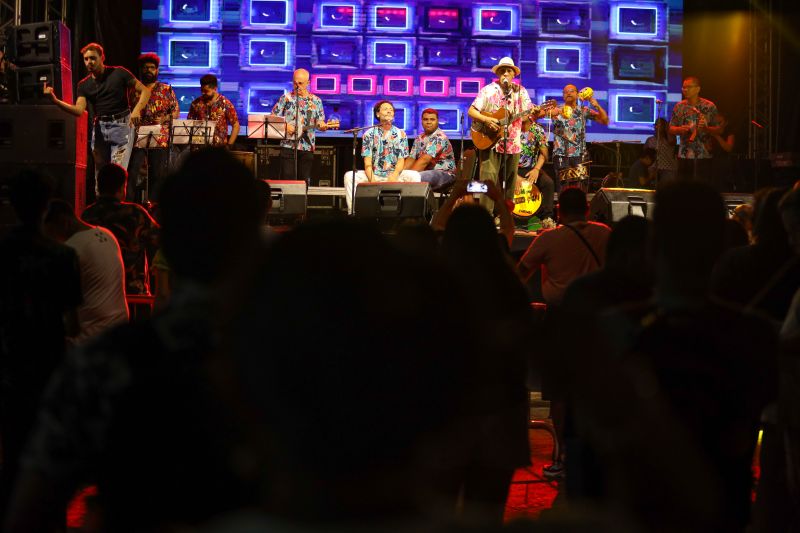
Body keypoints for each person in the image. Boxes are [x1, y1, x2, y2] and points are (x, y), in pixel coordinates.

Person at [0, 170, 81, 521]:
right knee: (47, 448)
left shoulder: (2, 250)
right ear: (47, 206)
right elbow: (72, 321)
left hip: (9, 360)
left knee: (11, 444)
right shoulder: (62, 257)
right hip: (48, 360)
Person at [43, 42, 151, 175]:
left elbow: (145, 91)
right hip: (100, 128)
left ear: (102, 57)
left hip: (122, 126)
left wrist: (136, 110)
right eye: (86, 59)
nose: (89, 62)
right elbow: (78, 110)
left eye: (93, 58)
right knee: (100, 174)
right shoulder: (84, 85)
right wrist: (55, 101)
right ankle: (101, 196)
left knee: (117, 173)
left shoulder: (119, 73)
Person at [43, 200, 128, 345]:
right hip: (120, 327)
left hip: (89, 337)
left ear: (63, 222)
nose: (49, 239)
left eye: (50, 232)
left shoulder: (71, 249)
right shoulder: (107, 234)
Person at [517, 187, 611, 306]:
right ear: (587, 209)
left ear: (559, 211)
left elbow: (519, 275)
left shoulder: (547, 238)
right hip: (597, 314)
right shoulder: (605, 233)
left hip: (559, 315)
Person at [467, 57, 533, 214]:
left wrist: (529, 114)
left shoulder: (521, 91)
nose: (505, 73)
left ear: (513, 74)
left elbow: (526, 114)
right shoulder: (488, 90)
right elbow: (472, 111)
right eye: (502, 70)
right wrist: (487, 119)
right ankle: (485, 218)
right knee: (488, 181)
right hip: (490, 141)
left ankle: (504, 217)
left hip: (513, 143)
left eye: (509, 70)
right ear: (497, 73)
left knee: (509, 185)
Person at [81, 163, 159, 296]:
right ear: (123, 187)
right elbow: (160, 238)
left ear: (99, 186)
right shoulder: (135, 213)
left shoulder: (88, 215)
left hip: (98, 293)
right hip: (132, 293)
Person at [343, 100, 420, 214]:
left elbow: (401, 161)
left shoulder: (401, 134)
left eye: (391, 109)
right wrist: (372, 180)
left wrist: (394, 176)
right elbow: (367, 162)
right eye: (385, 109)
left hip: (394, 175)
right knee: (350, 176)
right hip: (375, 174)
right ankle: (354, 212)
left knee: (414, 175)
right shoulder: (369, 134)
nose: (389, 111)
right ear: (378, 114)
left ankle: (412, 214)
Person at [126, 53, 180, 204]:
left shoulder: (166, 89)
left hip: (159, 138)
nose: (148, 70)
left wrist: (164, 119)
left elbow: (176, 112)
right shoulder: (133, 89)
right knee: (132, 171)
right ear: (141, 70)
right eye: (145, 68)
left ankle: (154, 206)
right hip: (137, 136)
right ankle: (130, 205)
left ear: (157, 70)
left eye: (151, 68)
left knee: (158, 174)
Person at [271, 68, 330, 183]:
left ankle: (302, 201)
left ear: (308, 83)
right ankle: (287, 201)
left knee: (304, 179)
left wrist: (322, 126)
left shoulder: (316, 101)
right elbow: (272, 118)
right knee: (287, 179)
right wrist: (285, 126)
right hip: (288, 145)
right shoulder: (286, 98)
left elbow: (320, 121)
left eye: (301, 83)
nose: (297, 86)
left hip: (307, 146)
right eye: (295, 83)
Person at [549, 84, 609, 191]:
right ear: (563, 96)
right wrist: (548, 110)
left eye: (571, 91)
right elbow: (537, 114)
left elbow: (605, 121)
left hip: (580, 155)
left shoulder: (583, 110)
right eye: (565, 92)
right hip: (561, 155)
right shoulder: (557, 110)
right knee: (563, 187)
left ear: (577, 94)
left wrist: (597, 106)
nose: (568, 93)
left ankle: (580, 207)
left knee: (581, 187)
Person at [668, 76, 721, 183]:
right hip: (684, 154)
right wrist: (680, 129)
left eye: (688, 87)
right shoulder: (679, 106)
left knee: (701, 188)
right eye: (683, 87)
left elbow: (718, 130)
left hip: (703, 155)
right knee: (683, 187)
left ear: (697, 89)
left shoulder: (709, 106)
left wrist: (706, 128)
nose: (685, 89)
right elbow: (671, 128)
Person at [403, 108, 456, 191]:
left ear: (437, 121)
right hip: (427, 172)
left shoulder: (439, 137)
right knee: (405, 176)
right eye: (425, 119)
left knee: (412, 177)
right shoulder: (419, 138)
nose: (429, 122)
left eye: (432, 119)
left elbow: (425, 160)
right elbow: (411, 159)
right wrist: (401, 173)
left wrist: (407, 177)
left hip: (444, 174)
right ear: (421, 121)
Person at [516, 116, 555, 227]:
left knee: (548, 183)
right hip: (513, 168)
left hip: (531, 169)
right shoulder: (511, 128)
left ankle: (547, 218)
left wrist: (536, 169)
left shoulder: (537, 129)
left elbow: (544, 154)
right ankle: (500, 215)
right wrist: (515, 176)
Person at [187, 74, 239, 147]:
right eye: (201, 90)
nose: (203, 93)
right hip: (199, 148)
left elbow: (235, 125)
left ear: (215, 89)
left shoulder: (225, 103)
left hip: (219, 149)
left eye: (206, 91)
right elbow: (189, 123)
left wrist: (229, 145)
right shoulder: (196, 103)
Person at [645, 117, 677, 184]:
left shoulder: (670, 138)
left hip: (668, 168)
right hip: (654, 168)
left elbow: (672, 142)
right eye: (655, 125)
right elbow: (645, 155)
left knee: (667, 188)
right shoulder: (650, 139)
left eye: (659, 125)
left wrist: (667, 129)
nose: (656, 127)